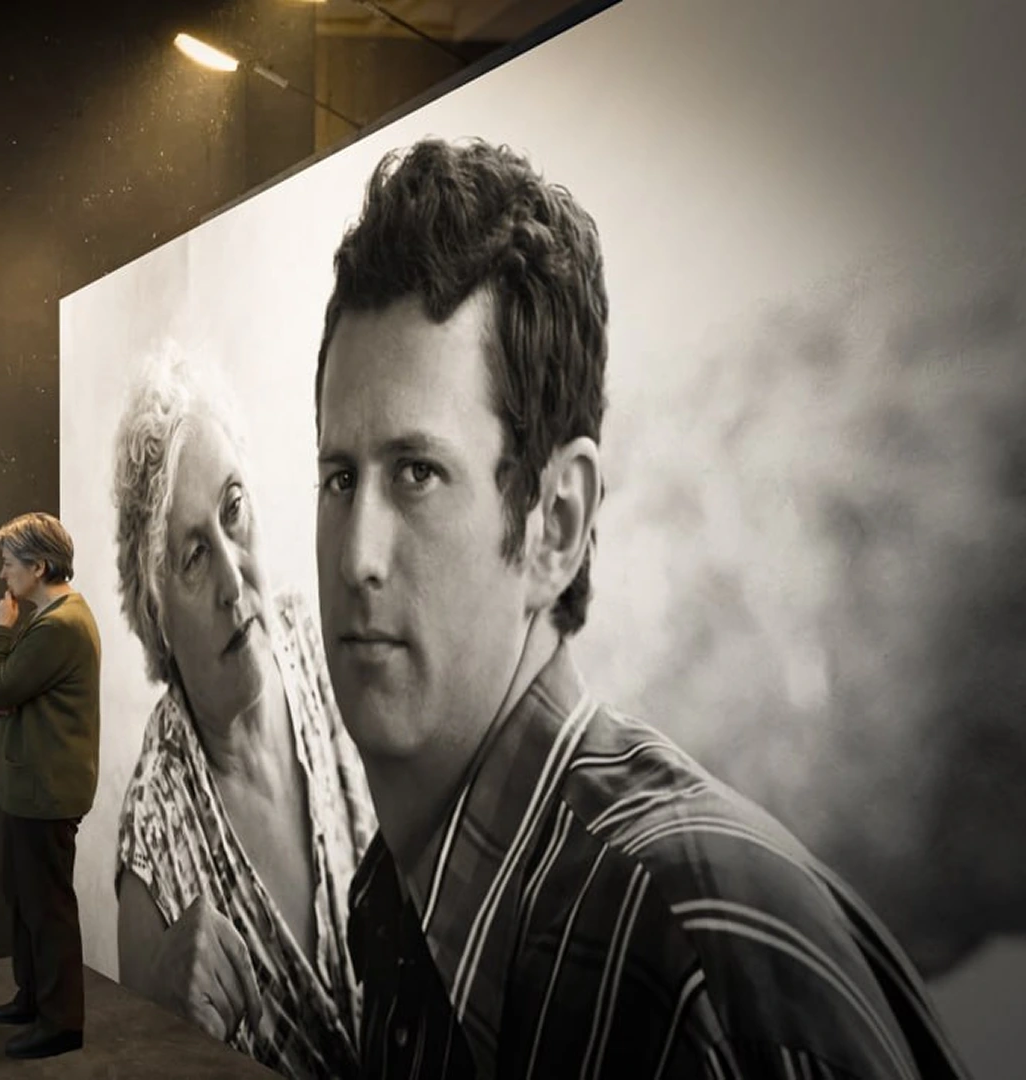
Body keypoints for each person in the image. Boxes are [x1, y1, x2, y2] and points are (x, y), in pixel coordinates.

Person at [313, 137, 966, 1078]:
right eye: (340, 478)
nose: (356, 557)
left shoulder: (692, 961)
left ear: (556, 522)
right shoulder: (401, 912)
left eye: (417, 473)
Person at [109, 348, 375, 1079]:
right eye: (194, 557)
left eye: (233, 510)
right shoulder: (153, 850)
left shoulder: (319, 642)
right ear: (157, 617)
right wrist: (160, 1027)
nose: (234, 580)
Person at [0, 511, 102, 1060]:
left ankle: (60, 1022)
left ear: (39, 566)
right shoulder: (51, 618)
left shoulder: (58, 626)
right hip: (31, 788)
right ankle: (32, 998)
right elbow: (5, 696)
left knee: (47, 908)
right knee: (25, 899)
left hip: (45, 791)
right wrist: (4, 692)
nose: (3, 574)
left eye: (10, 563)